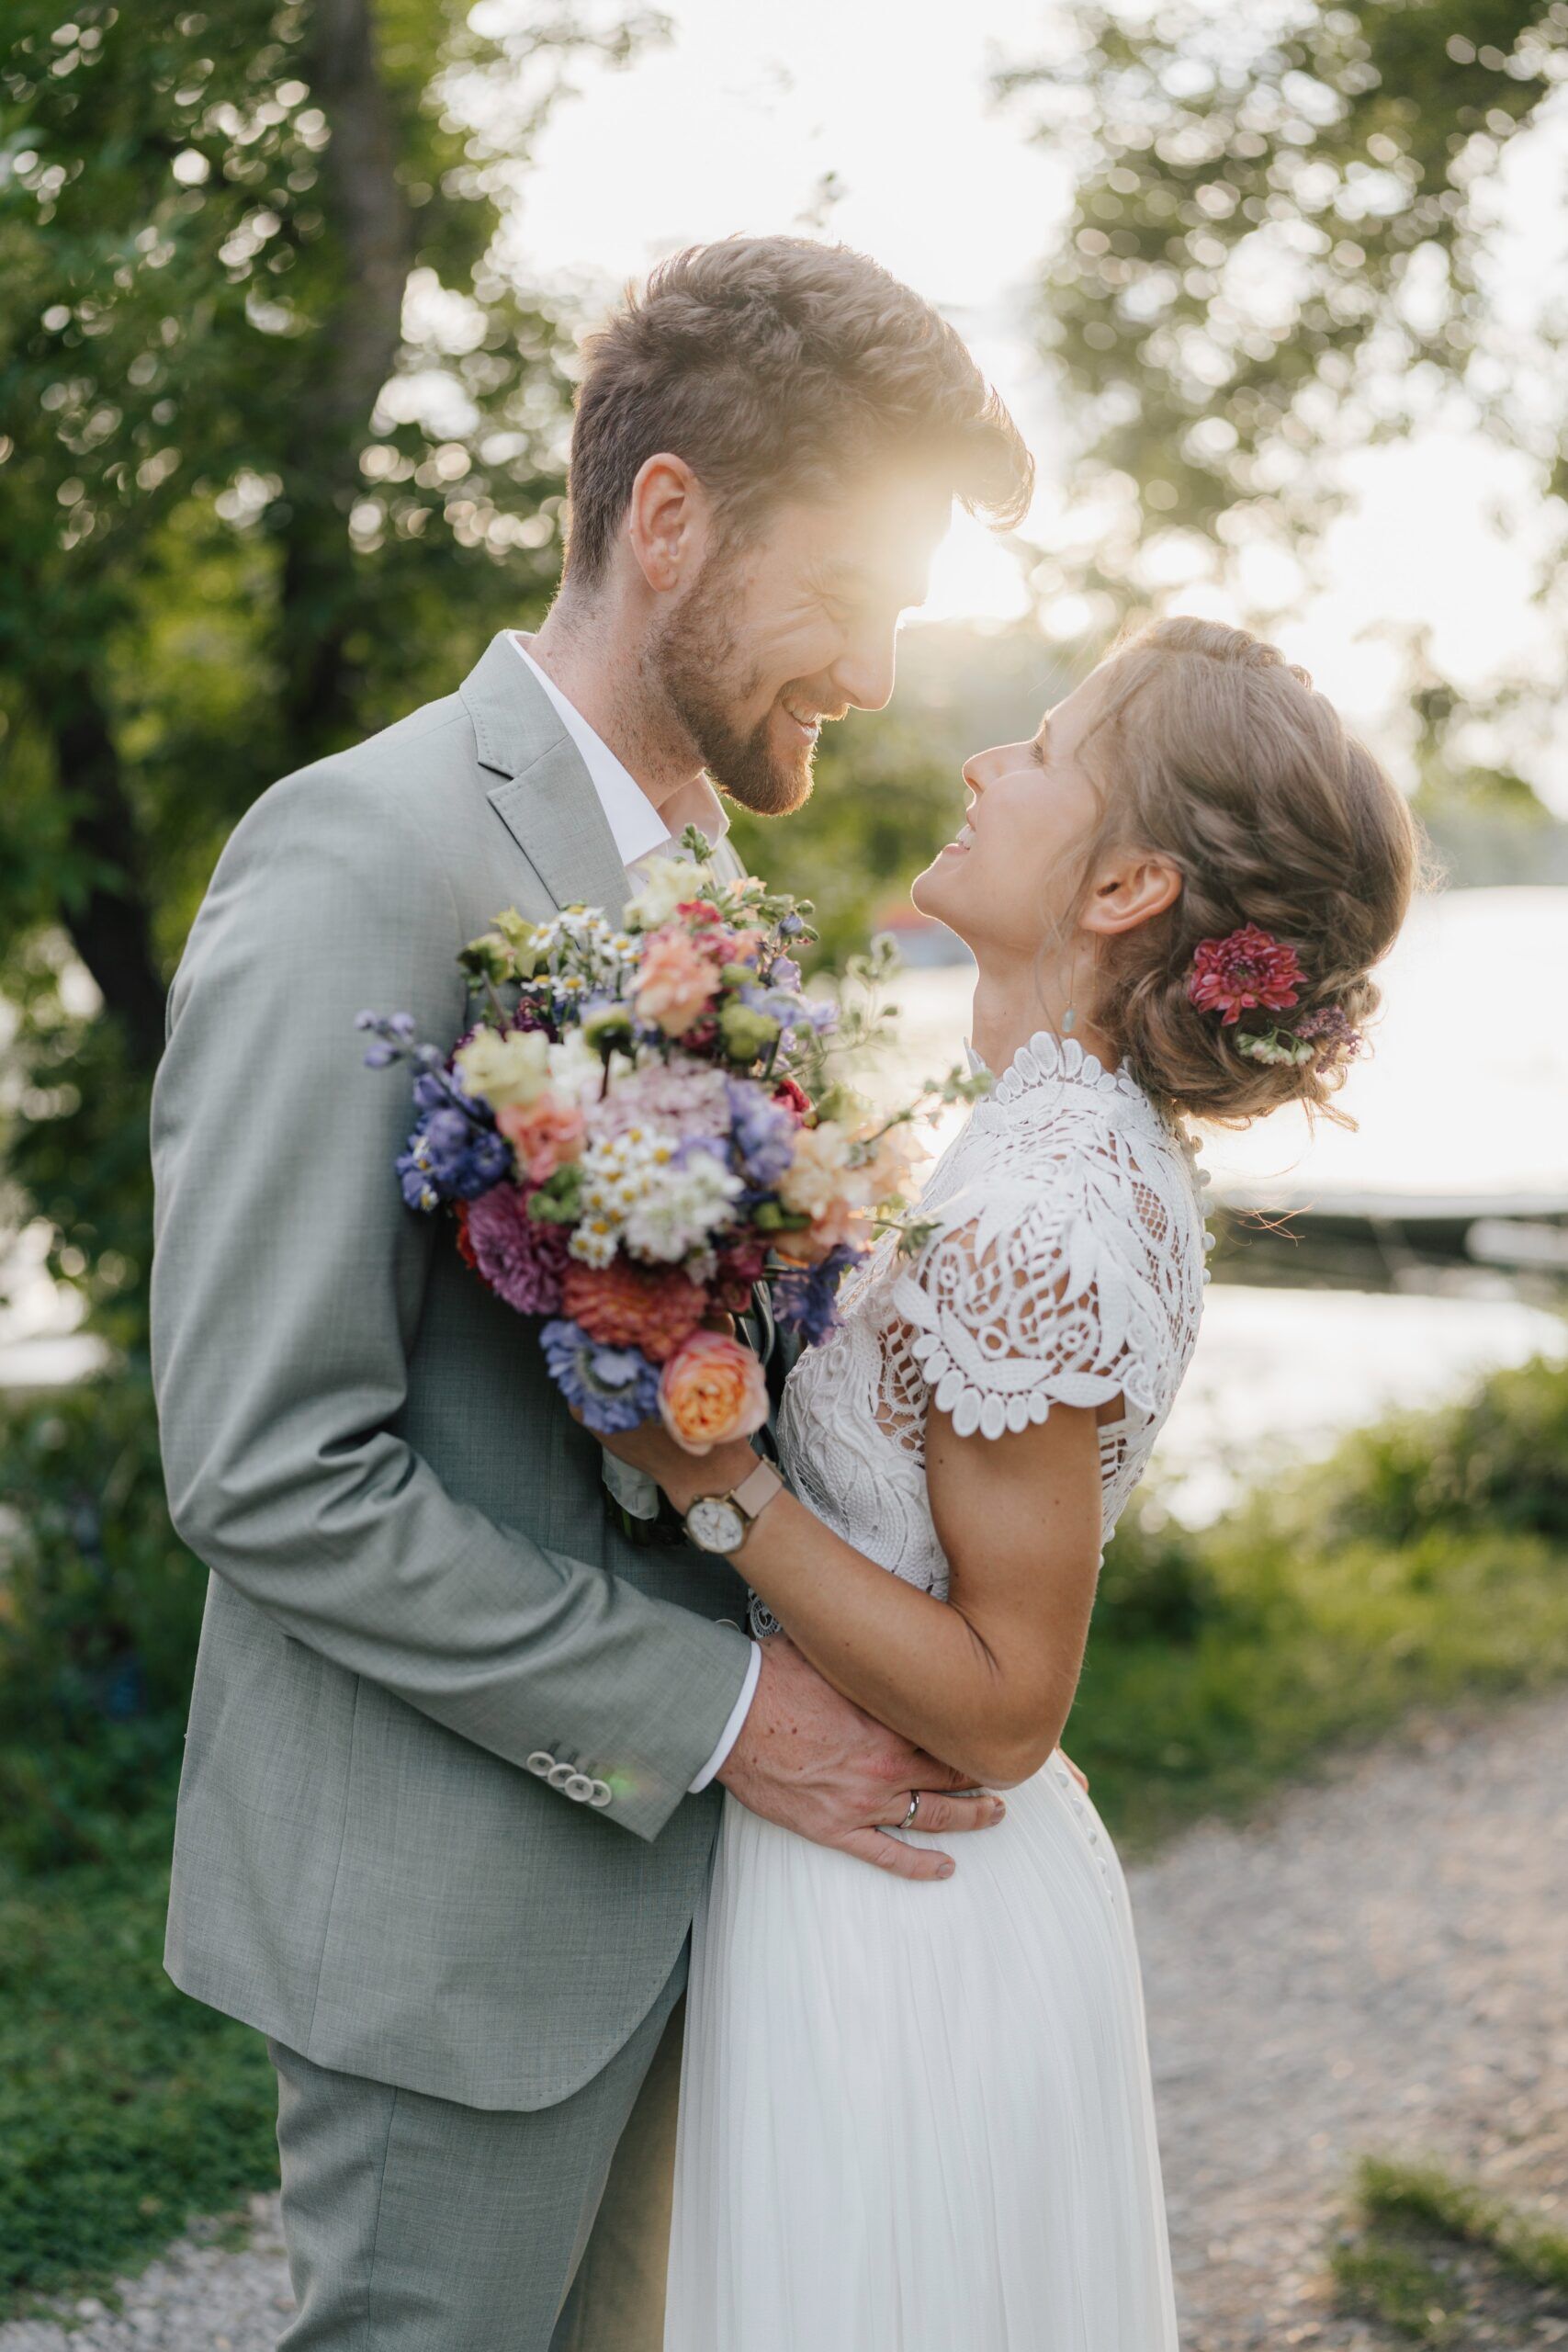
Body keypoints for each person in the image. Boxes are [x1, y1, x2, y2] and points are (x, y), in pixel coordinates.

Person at [148, 236, 1033, 2350]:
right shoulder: (358, 853)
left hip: (695, 1923)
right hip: (454, 1931)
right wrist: (721, 1717)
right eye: (856, 589)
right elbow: (268, 1463)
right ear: (666, 521)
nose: (881, 673)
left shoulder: (709, 894)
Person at [590, 616, 1420, 2350]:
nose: (984, 762)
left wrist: (713, 1479)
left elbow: (1006, 1700)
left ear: (1126, 888)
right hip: (886, 1886)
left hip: (908, 1925)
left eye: (1041, 748)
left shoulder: (1039, 1208)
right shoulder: (1048, 1141)